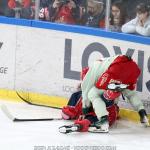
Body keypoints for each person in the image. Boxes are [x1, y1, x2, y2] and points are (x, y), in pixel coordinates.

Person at [60, 55, 149, 133]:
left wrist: (84, 111)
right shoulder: (102, 64)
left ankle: (103, 118)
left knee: (92, 94)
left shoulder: (89, 77)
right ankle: (142, 114)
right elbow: (130, 95)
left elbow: (86, 93)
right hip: (132, 68)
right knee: (129, 92)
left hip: (115, 70)